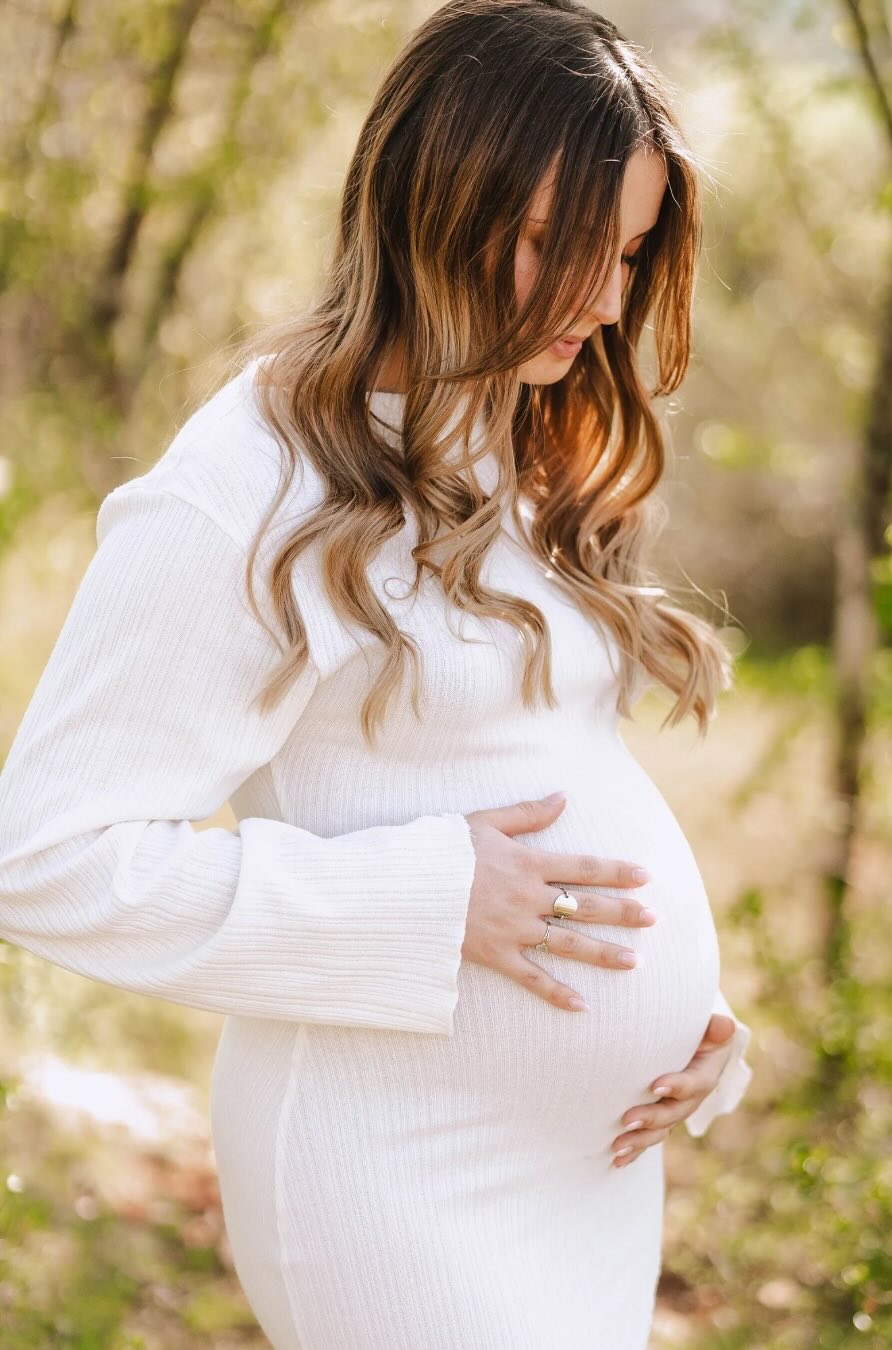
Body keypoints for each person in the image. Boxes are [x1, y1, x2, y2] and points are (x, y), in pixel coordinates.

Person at [0, 1, 754, 1345]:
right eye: (554, 247)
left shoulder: (514, 441)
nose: (601, 301)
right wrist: (425, 900)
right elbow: (44, 856)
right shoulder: (248, 482)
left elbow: (540, 768)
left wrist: (676, 1014)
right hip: (393, 1172)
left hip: (589, 1180)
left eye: (629, 254)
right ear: (432, 204)